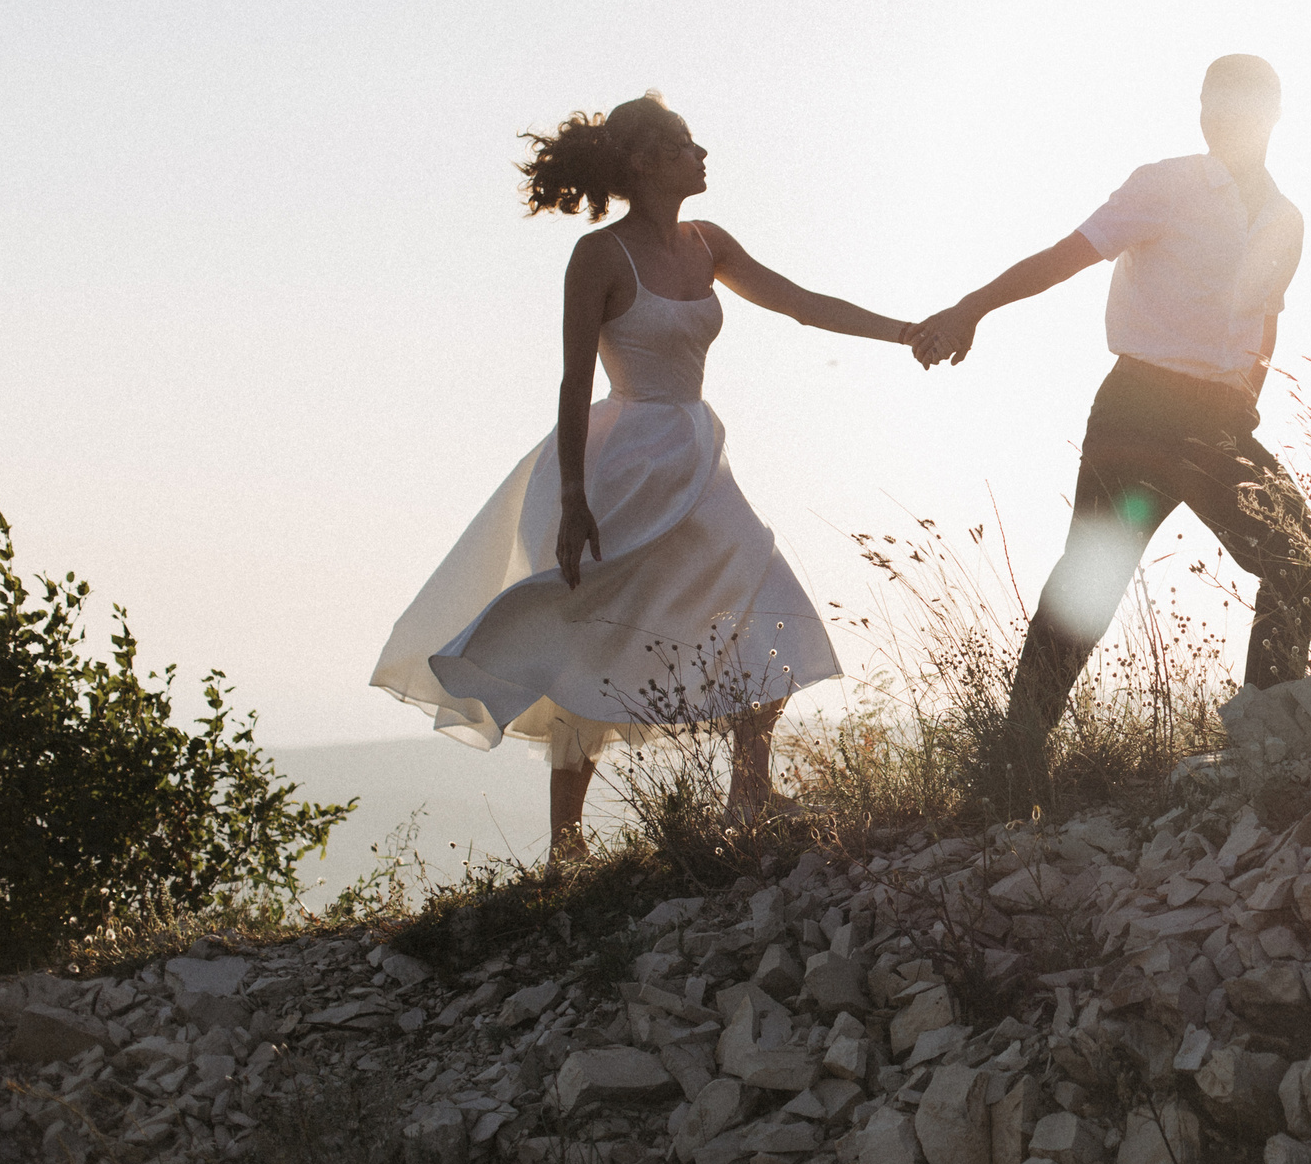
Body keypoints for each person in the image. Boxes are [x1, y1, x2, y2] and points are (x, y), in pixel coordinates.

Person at [370, 92, 913, 855]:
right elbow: (569, 379)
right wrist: (570, 495)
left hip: (697, 454)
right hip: (624, 462)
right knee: (594, 633)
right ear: (643, 161)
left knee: (771, 601)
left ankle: (750, 795)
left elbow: (800, 304)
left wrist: (905, 332)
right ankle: (567, 841)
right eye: (686, 143)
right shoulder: (600, 254)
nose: (703, 153)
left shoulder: (707, 240)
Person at [908, 54, 1311, 791]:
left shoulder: (1285, 219)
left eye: (1231, 106)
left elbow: (1264, 318)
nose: (1213, 119)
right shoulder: (1166, 184)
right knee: (1091, 584)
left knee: (1300, 562)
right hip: (1140, 407)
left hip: (1220, 422)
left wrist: (1248, 392)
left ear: (1270, 114)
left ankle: (1264, 746)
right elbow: (1067, 257)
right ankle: (1014, 768)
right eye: (1207, 105)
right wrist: (970, 307)